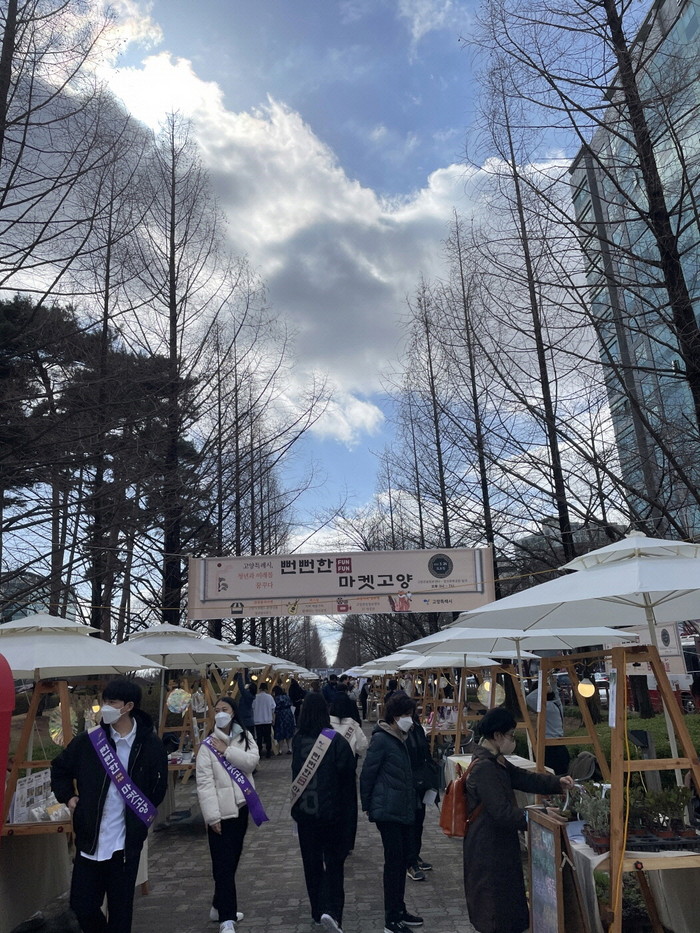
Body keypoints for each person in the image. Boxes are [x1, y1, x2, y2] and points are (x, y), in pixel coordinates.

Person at [50, 678, 168, 933]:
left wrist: (139, 820)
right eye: (104, 701)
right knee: (82, 907)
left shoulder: (150, 745)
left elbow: (158, 787)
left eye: (111, 702)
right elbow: (59, 768)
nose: (105, 707)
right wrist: (69, 797)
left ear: (128, 706)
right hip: (90, 840)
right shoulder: (89, 741)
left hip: (124, 845)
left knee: (120, 914)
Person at [463, 708, 574, 933]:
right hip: (487, 848)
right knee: (495, 909)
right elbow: (502, 813)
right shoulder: (485, 767)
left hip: (499, 844)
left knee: (507, 905)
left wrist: (556, 783)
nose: (513, 740)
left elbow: (523, 777)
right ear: (497, 735)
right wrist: (539, 815)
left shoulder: (495, 760)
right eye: (511, 735)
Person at [291, 692, 357, 933]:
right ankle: (333, 912)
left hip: (306, 815)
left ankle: (317, 911)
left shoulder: (298, 741)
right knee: (334, 864)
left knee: (311, 865)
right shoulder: (337, 742)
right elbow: (348, 782)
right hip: (333, 815)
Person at [196, 696, 261, 933]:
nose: (220, 713)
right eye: (217, 710)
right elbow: (204, 784)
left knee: (231, 861)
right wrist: (212, 816)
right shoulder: (207, 746)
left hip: (241, 809)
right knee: (222, 865)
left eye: (225, 709)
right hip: (220, 814)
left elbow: (252, 762)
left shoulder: (245, 737)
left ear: (233, 712)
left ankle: (218, 905)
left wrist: (228, 751)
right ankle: (227, 917)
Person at [360, 693, 424, 933]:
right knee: (394, 863)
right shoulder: (382, 739)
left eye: (411, 715)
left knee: (402, 861)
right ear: (395, 716)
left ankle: (400, 909)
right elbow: (367, 774)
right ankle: (391, 918)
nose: (410, 719)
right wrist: (368, 805)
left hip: (402, 807)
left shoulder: (402, 737)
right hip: (387, 810)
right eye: (406, 715)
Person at [405, 712, 438, 882]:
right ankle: (409, 862)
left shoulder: (417, 728)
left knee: (419, 821)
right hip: (405, 784)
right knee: (410, 824)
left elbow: (425, 753)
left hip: (421, 782)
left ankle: (415, 856)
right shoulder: (391, 733)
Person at [526, 684, 570, 775]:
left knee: (548, 776)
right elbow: (556, 694)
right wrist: (551, 686)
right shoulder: (557, 705)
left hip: (549, 748)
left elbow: (530, 698)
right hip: (560, 747)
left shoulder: (547, 707)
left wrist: (543, 688)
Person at [252, 682, 276, 758]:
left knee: (259, 737)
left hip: (257, 720)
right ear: (266, 689)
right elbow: (273, 708)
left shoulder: (255, 697)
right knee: (267, 736)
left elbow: (252, 707)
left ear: (259, 689)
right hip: (267, 719)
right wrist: (273, 718)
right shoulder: (269, 697)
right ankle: (268, 751)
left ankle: (259, 750)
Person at [272, 685, 295, 754]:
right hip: (289, 714)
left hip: (280, 716)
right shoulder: (287, 697)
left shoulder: (277, 698)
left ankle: (280, 749)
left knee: (280, 733)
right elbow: (292, 705)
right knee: (289, 732)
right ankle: (290, 748)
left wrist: (273, 719)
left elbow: (275, 709)